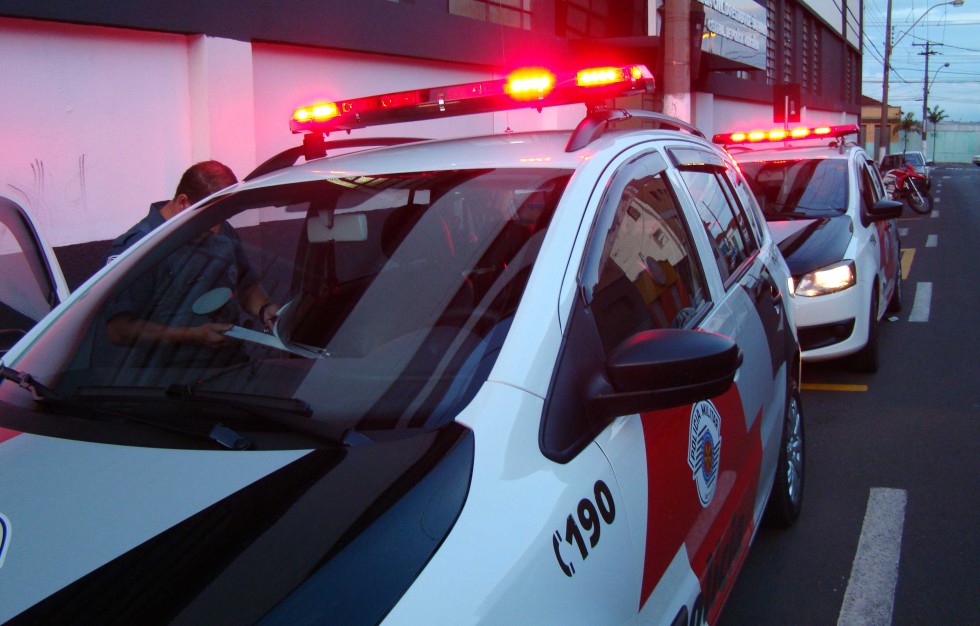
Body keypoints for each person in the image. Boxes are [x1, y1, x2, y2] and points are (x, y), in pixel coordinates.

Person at [102, 161, 278, 365]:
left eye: (222, 218)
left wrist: (265, 310)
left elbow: (246, 285)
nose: (217, 229)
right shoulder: (139, 248)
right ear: (183, 202)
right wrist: (193, 335)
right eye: (210, 218)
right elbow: (119, 330)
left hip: (231, 368)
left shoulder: (219, 227)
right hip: (169, 378)